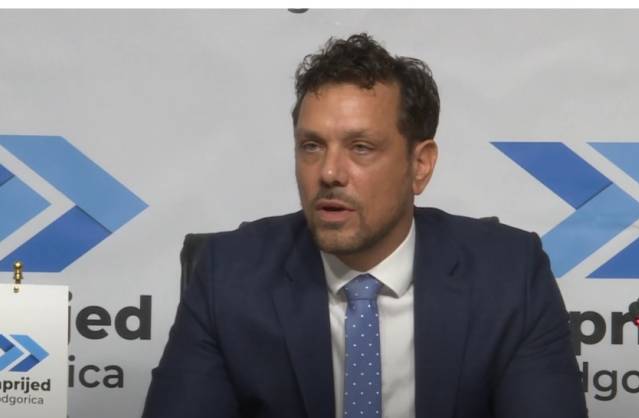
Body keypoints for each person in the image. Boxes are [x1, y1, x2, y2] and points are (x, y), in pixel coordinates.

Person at [142, 33, 587, 418]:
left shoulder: (509, 277)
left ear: (420, 165)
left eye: (360, 147)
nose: (329, 173)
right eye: (312, 146)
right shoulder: (228, 276)